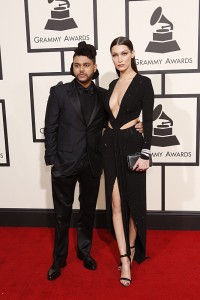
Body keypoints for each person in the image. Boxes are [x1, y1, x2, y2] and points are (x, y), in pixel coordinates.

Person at [44, 41, 143, 281]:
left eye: (86, 65)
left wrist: (138, 126)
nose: (81, 70)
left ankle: (84, 252)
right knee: (61, 215)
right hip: (65, 164)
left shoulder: (104, 95)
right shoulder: (58, 93)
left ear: (95, 66)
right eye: (77, 65)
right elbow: (50, 128)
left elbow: (117, 121)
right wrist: (53, 160)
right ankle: (58, 260)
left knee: (87, 212)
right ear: (73, 66)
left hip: (92, 163)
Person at [102, 36, 154, 287]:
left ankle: (132, 247)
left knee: (132, 203)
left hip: (133, 146)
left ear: (132, 54)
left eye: (124, 53)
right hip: (110, 146)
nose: (119, 59)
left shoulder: (143, 83)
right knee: (115, 203)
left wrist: (146, 153)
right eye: (115, 54)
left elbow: (150, 121)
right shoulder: (111, 84)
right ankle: (124, 259)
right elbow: (107, 118)